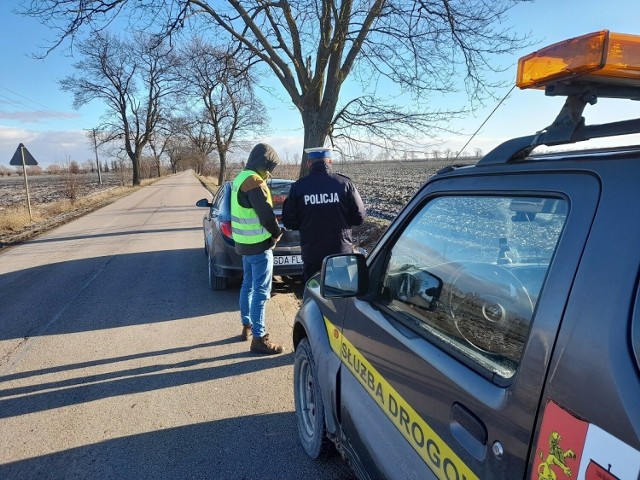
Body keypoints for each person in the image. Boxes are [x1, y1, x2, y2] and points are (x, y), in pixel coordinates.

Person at [282, 147, 366, 281]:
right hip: (340, 251)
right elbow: (359, 217)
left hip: (312, 253)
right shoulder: (344, 184)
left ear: (309, 164)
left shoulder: (299, 187)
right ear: (330, 162)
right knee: (342, 292)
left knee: (314, 292)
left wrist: (306, 224)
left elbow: (289, 221)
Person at [231, 143, 284, 355]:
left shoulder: (240, 178)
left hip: (244, 245)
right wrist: (277, 233)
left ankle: (247, 326)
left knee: (248, 286)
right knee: (261, 292)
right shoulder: (254, 181)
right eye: (269, 167)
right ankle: (259, 338)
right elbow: (266, 216)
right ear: (264, 163)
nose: (270, 172)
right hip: (259, 246)